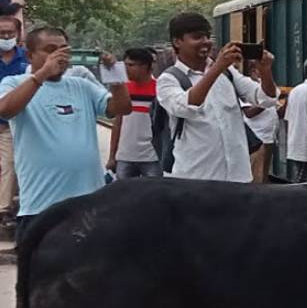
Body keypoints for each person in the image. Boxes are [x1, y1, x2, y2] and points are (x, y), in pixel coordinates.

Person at [0, 26, 132, 308]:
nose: (59, 55)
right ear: (30, 55)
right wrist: (41, 76)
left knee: (103, 282)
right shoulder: (16, 84)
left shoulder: (81, 84)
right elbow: (6, 111)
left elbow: (122, 108)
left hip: (90, 208)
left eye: (63, 49)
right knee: (35, 287)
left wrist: (115, 75)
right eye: (48, 49)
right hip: (41, 210)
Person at [155, 12, 278, 182]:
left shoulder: (228, 74)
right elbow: (187, 106)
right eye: (197, 37)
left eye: (207, 36)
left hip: (237, 176)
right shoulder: (168, 80)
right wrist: (218, 67)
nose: (205, 42)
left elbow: (266, 98)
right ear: (177, 42)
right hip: (195, 179)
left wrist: (265, 70)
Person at [106, 47, 161, 179]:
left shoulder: (160, 89)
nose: (126, 69)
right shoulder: (123, 90)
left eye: (130, 65)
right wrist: (112, 156)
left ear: (146, 66)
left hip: (152, 157)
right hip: (125, 157)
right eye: (124, 65)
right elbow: (117, 124)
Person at [0, 15, 26, 235]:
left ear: (18, 34)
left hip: (11, 124)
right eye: (1, 33)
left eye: (10, 33)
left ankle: (4, 211)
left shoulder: (27, 61)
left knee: (8, 165)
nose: (6, 37)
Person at [242, 62, 283, 184]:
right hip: (257, 139)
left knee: (264, 175)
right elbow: (248, 112)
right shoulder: (246, 87)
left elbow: (275, 107)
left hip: (269, 138)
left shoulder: (264, 87)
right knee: (256, 175)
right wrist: (266, 103)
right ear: (253, 71)